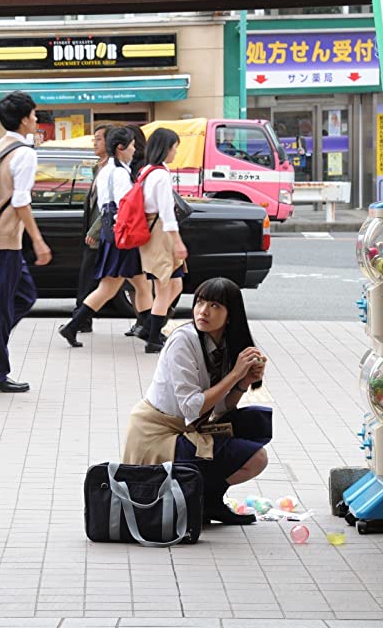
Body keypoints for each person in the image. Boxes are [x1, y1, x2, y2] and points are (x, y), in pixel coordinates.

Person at [122, 277, 271, 526]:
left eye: (214, 306)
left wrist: (244, 382)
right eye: (200, 302)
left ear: (231, 315)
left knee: (254, 427)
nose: (203, 311)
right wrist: (235, 374)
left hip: (187, 427)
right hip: (156, 435)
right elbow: (191, 406)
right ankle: (201, 500)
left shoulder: (226, 344)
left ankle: (208, 501)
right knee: (252, 456)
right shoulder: (183, 340)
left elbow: (220, 409)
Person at [0, 91, 52, 393]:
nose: (36, 118)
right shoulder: (24, 153)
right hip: (6, 239)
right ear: (24, 119)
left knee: (21, 296)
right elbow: (20, 202)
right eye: (33, 114)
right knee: (1, 305)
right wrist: (38, 240)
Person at [57, 126, 153, 348]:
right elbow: (125, 206)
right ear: (120, 148)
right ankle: (151, 332)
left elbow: (103, 207)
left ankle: (73, 326)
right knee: (134, 285)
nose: (134, 149)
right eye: (132, 145)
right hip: (124, 237)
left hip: (112, 236)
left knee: (117, 286)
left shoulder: (106, 171)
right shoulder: (120, 173)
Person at [138, 128, 189, 353]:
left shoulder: (147, 171)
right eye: (174, 148)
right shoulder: (160, 176)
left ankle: (150, 328)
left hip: (152, 231)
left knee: (175, 284)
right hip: (160, 233)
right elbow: (167, 214)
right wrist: (178, 242)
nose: (176, 152)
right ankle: (152, 339)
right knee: (164, 287)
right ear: (165, 148)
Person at [73, 124, 111, 333]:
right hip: (95, 232)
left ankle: (79, 321)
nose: (94, 143)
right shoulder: (99, 167)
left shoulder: (112, 169)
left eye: (99, 139)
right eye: (94, 139)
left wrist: (94, 231)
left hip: (102, 233)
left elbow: (109, 205)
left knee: (93, 279)